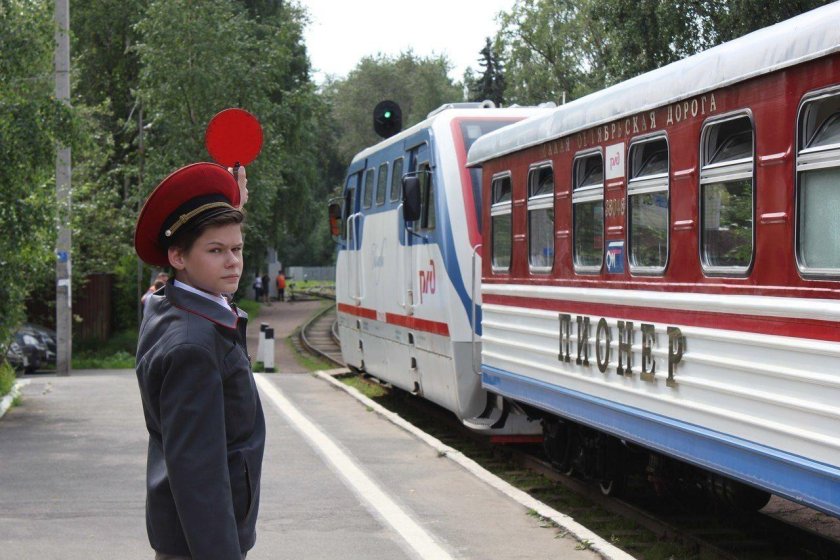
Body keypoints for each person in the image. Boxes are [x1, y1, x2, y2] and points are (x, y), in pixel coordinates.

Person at [133, 162, 265, 560]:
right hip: (200, 544)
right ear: (177, 256)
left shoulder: (172, 303)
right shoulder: (193, 346)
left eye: (237, 248)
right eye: (216, 251)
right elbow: (199, 475)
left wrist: (227, 201)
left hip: (185, 535)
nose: (233, 262)